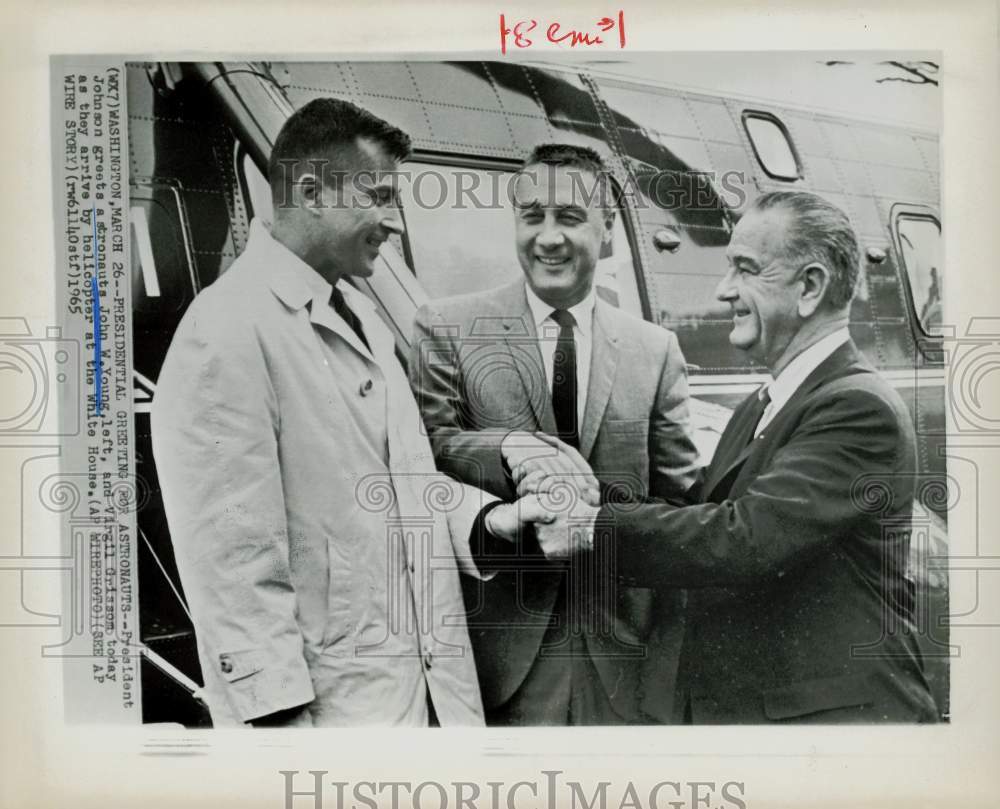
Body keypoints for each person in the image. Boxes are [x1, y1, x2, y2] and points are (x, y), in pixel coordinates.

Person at [151, 98, 527, 727]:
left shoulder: (362, 318)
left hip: (423, 705)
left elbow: (395, 489)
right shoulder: (228, 328)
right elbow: (233, 561)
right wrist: (282, 736)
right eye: (379, 196)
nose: (394, 222)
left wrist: (490, 523)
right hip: (333, 730)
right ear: (311, 191)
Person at [531, 190, 939, 723]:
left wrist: (591, 527)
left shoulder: (856, 406)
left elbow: (743, 538)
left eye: (745, 270)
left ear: (810, 287)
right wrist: (584, 495)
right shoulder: (769, 401)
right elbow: (701, 511)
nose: (724, 291)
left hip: (835, 729)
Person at [409, 144, 700, 725]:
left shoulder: (655, 349)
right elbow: (425, 452)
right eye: (532, 216)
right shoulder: (444, 328)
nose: (548, 238)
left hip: (625, 660)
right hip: (499, 663)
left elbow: (680, 504)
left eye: (569, 218)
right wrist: (509, 448)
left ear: (607, 226)